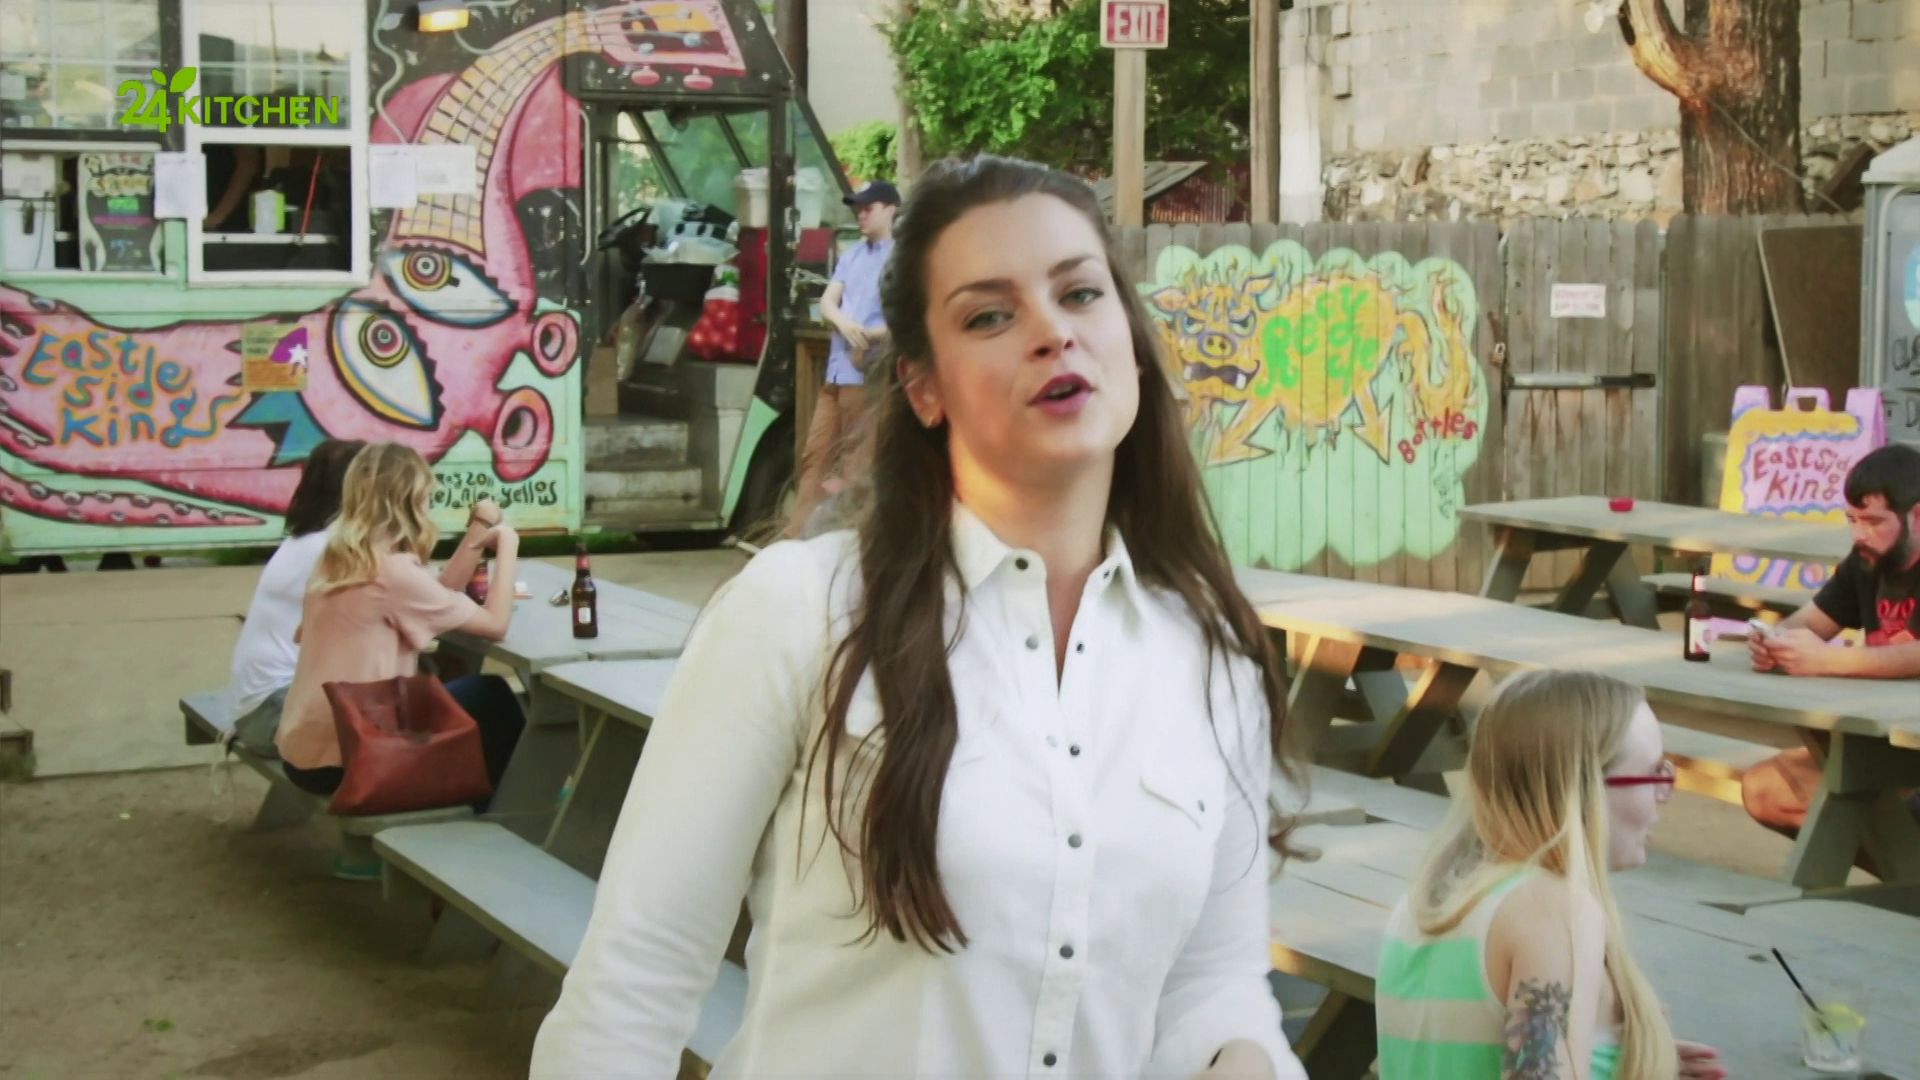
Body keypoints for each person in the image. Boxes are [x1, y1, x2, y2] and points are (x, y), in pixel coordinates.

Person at [532, 156, 1307, 1079]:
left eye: (1079, 294)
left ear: (1131, 342)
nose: (1053, 333)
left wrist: (1242, 1053)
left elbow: (1212, 981)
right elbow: (633, 983)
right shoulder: (800, 612)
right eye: (989, 316)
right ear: (925, 387)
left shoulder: (1208, 655)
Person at [1376, 670, 1724, 1080]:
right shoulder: (1553, 911)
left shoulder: (1430, 898)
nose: (1664, 795)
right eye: (1653, 774)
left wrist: (1618, 1062)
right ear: (1584, 789)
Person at [272, 442, 525, 807]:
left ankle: (490, 803)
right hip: (355, 758)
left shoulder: (338, 559)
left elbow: (439, 593)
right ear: (410, 502)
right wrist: (508, 544)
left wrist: (478, 532)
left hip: (304, 751)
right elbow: (496, 623)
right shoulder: (391, 572)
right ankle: (499, 812)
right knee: (493, 697)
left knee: (465, 697)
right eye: (427, 496)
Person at [1741, 443, 1920, 842]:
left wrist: (1828, 661)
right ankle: (1905, 870)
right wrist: (1774, 643)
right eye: (1852, 519)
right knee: (1764, 790)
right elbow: (1808, 622)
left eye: (1873, 521)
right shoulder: (1866, 561)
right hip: (1880, 745)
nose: (1859, 534)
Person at [222, 438, 365, 758]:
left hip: (257, 706)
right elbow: (416, 611)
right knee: (407, 725)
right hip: (275, 712)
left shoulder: (305, 541)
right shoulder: (334, 549)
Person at [786, 178, 899, 537]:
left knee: (857, 461)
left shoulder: (902, 260)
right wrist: (843, 322)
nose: (861, 215)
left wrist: (867, 335)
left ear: (890, 209)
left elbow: (907, 320)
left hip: (866, 373)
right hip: (836, 373)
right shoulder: (851, 255)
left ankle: (851, 538)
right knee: (814, 455)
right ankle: (796, 535)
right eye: (858, 209)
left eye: (869, 208)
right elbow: (827, 301)